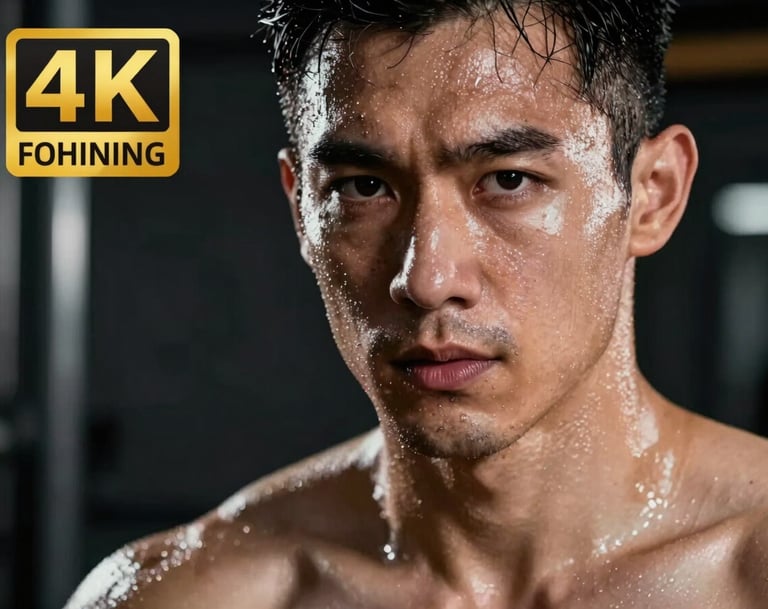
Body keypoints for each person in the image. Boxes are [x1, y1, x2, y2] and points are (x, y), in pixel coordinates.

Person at [67, 1, 768, 607]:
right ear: (301, 210)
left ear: (653, 194)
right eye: (363, 188)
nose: (427, 279)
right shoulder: (187, 592)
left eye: (509, 180)